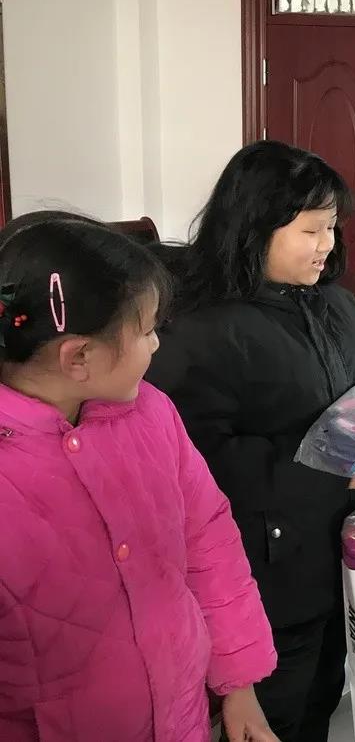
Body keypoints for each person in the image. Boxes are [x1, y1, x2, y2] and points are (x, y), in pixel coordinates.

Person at [0, 215, 279, 741]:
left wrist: (238, 684)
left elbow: (208, 539)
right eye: (147, 330)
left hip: (181, 717)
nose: (156, 345)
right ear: (79, 357)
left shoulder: (151, 414)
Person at [145, 141, 355, 742]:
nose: (327, 245)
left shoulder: (338, 306)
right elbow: (201, 466)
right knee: (277, 711)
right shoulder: (197, 332)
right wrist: (334, 469)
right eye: (310, 230)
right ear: (253, 230)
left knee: (323, 693)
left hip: (338, 553)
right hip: (268, 574)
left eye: (332, 227)